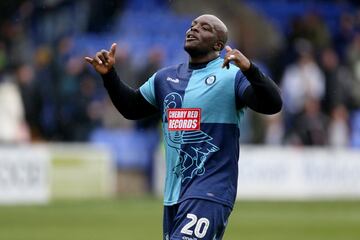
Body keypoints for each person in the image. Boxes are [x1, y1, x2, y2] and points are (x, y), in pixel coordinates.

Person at [85, 14, 282, 240]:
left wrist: (250, 70)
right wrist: (110, 76)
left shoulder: (231, 75)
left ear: (219, 44)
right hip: (174, 197)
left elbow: (272, 104)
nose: (194, 29)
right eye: (192, 25)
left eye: (204, 27)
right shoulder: (164, 79)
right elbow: (132, 109)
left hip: (210, 192)